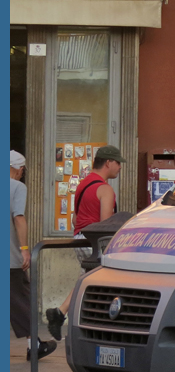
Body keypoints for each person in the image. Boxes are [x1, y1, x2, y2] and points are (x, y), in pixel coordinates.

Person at [45, 145, 124, 339]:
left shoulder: (83, 184)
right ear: (108, 163)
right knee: (104, 282)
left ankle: (61, 312)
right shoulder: (104, 189)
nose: (120, 167)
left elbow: (75, 218)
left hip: (80, 238)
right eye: (118, 163)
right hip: (95, 241)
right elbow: (106, 224)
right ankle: (90, 324)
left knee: (86, 279)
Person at [10, 151, 57, 359]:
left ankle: (35, 343)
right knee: (22, 298)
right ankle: (34, 344)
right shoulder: (17, 187)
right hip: (10, 257)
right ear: (19, 169)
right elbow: (19, 218)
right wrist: (25, 249)